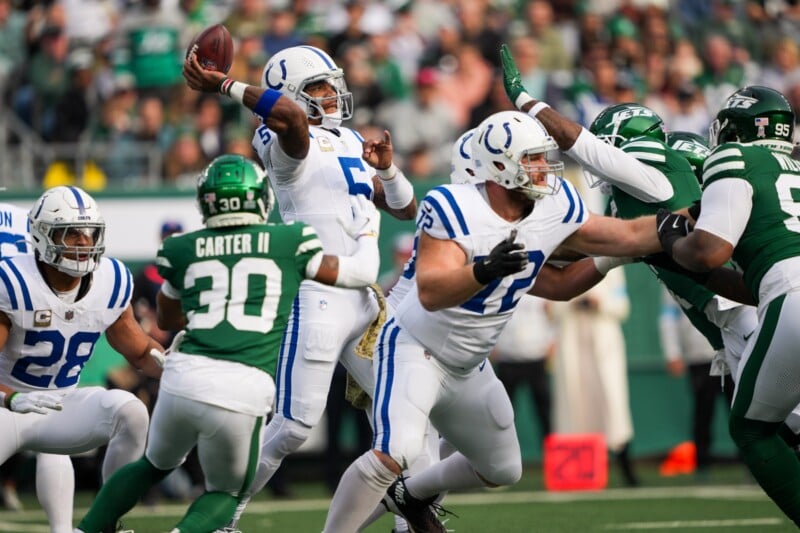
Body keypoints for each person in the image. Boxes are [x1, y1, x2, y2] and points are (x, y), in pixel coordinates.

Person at [322, 109, 663, 533]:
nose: (544, 168)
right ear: (495, 168)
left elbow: (559, 282)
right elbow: (431, 292)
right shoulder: (451, 208)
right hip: (415, 347)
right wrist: (485, 269)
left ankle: (409, 496)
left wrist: (664, 232)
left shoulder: (545, 208)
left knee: (503, 468)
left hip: (469, 362)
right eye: (532, 159)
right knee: (401, 448)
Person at [75, 154, 382, 533]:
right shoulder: (290, 240)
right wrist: (368, 231)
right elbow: (363, 273)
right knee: (226, 492)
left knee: (151, 466)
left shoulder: (181, 248)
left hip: (183, 375)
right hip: (242, 386)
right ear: (260, 198)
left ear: (206, 200)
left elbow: (168, 318)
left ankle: (84, 529)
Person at [182, 43, 418, 528]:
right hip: (319, 297)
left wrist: (389, 170)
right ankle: (221, 517)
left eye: (333, 84)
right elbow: (288, 116)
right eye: (318, 86)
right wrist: (226, 84)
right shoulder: (281, 137)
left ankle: (409, 520)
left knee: (409, 415)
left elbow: (405, 208)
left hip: (364, 301)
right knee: (292, 426)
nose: (331, 94)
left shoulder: (350, 141)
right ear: (288, 94)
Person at [499, 44, 762, 412]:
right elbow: (578, 259)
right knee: (762, 432)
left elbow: (585, 147)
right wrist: (517, 251)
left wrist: (527, 101)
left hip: (747, 315)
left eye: (609, 144)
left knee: (770, 429)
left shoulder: (656, 172)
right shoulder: (643, 206)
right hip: (729, 322)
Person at [657, 85, 800, 526]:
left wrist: (671, 241)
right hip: (779, 286)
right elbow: (746, 283)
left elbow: (709, 252)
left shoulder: (735, 157)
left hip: (792, 293)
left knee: (752, 428)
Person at [0, 186, 164, 533]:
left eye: (89, 233)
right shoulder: (13, 281)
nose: (83, 242)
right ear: (44, 237)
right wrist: (12, 398)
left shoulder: (110, 280)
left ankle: (106, 518)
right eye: (71, 233)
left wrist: (174, 365)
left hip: (64, 404)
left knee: (131, 411)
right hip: (7, 406)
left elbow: (138, 350)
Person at [658, 287, 734, 476]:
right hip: (699, 357)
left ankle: (753, 462)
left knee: (739, 410)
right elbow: (668, 317)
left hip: (733, 353)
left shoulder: (730, 267)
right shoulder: (671, 273)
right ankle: (702, 463)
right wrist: (672, 353)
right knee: (702, 413)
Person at [491, 294, 554, 445]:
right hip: (507, 358)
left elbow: (551, 315)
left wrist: (553, 340)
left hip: (537, 356)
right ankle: (500, 460)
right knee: (503, 416)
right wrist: (491, 345)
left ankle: (554, 460)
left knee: (545, 415)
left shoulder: (542, 284)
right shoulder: (500, 284)